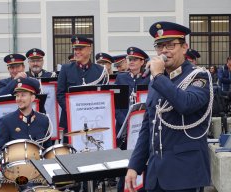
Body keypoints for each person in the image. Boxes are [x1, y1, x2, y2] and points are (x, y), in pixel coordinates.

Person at [125, 21, 212, 192]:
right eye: (160, 46)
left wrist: (158, 75)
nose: (164, 51)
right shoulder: (157, 81)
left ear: (184, 47)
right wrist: (134, 165)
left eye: (170, 45)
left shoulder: (199, 76)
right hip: (156, 175)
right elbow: (148, 126)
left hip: (185, 175)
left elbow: (185, 104)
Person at [56, 35, 108, 142]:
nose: (76, 52)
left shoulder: (100, 71)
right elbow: (60, 94)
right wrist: (74, 111)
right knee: (70, 154)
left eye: (80, 49)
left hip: (95, 121)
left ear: (89, 50)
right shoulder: (66, 69)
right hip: (71, 120)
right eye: (75, 49)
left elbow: (104, 96)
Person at [0, 77, 52, 152]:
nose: (19, 99)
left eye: (23, 95)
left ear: (32, 98)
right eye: (17, 95)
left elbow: (48, 150)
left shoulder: (43, 120)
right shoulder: (6, 121)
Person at [115, 47, 150, 135]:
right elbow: (116, 105)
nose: (131, 62)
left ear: (142, 62)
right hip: (123, 125)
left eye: (135, 59)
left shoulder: (148, 78)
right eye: (130, 59)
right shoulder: (121, 78)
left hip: (143, 124)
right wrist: (125, 123)